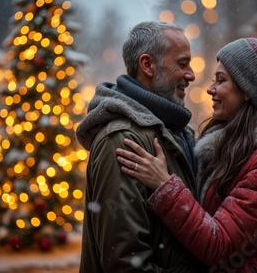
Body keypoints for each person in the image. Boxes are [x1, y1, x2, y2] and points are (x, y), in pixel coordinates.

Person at [116, 35, 257, 272]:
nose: (210, 89)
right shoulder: (227, 146)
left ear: (249, 90)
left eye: (221, 80)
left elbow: (218, 244)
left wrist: (164, 185)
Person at [75, 21, 204, 272]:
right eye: (182, 63)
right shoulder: (123, 140)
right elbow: (125, 264)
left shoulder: (175, 131)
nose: (191, 75)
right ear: (148, 65)